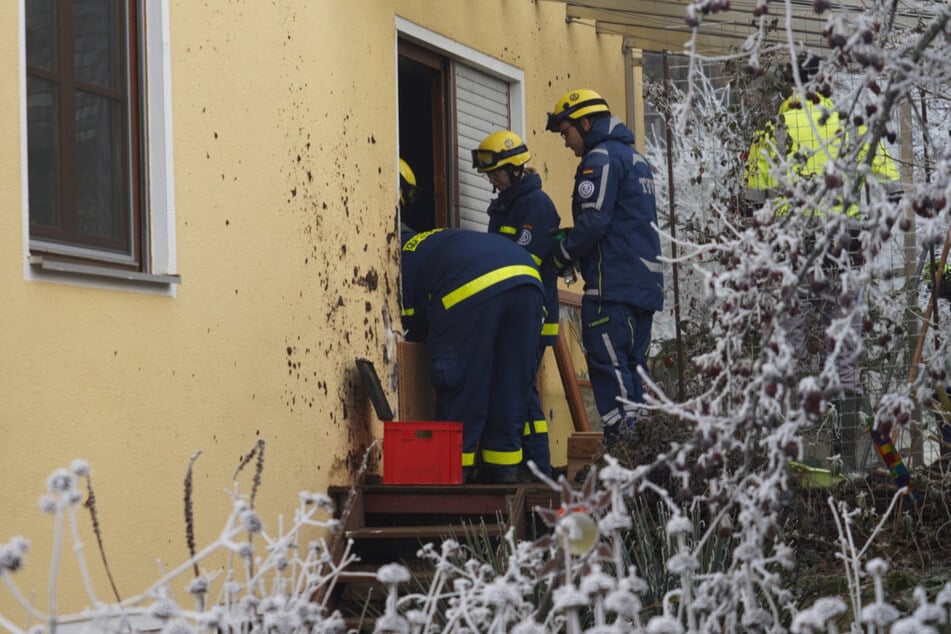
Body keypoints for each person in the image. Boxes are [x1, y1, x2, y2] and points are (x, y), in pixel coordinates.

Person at [744, 53, 901, 471]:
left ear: (790, 86)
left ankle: (801, 440)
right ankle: (848, 439)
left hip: (794, 248)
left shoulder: (773, 128)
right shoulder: (848, 122)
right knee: (843, 339)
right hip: (843, 245)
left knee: (793, 338)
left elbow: (752, 199)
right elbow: (887, 178)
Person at [545, 89, 665, 448]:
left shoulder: (600, 158)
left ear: (585, 122)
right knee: (632, 375)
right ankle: (640, 458)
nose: (566, 142)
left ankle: (622, 456)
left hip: (611, 289)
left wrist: (560, 255)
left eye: (566, 132)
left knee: (610, 374)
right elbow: (622, 223)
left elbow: (595, 221)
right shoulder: (634, 158)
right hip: (642, 289)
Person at [399, 226, 545, 484]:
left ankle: (454, 472)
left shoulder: (399, 254)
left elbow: (408, 324)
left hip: (470, 284)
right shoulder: (435, 238)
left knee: (459, 377)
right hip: (528, 278)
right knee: (511, 382)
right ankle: (503, 471)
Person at [471, 130, 561, 479]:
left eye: (496, 173)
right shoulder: (507, 204)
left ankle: (535, 467)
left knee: (519, 388)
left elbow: (525, 263)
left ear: (515, 169)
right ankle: (537, 466)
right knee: (521, 390)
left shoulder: (534, 205)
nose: (492, 179)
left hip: (531, 316)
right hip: (511, 314)